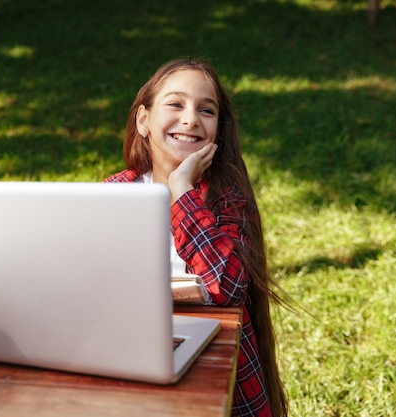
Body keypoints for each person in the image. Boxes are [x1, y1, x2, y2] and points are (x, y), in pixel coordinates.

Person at [104, 58, 288, 417]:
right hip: (130, 348)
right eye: (175, 104)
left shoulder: (227, 198)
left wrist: (181, 190)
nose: (190, 118)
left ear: (218, 131)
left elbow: (225, 286)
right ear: (143, 120)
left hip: (211, 355)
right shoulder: (115, 193)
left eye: (206, 109)